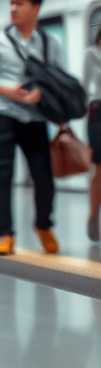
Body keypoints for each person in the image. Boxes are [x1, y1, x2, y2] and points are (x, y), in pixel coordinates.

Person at [0, 0, 57, 257]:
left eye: (20, 4)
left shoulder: (49, 42)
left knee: (44, 177)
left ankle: (43, 224)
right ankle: (6, 234)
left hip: (36, 116)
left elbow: (56, 78)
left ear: (36, 8)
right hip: (4, 114)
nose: (14, 9)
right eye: (12, 4)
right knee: (3, 174)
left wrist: (41, 92)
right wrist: (4, 91)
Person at [84, 29, 101, 241]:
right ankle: (93, 214)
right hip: (98, 114)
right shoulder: (91, 55)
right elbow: (84, 86)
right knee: (99, 168)